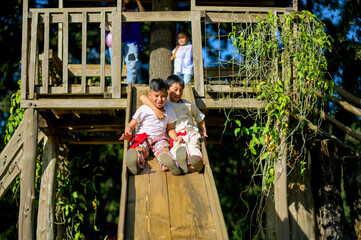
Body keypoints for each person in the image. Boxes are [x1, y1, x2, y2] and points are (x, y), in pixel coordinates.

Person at [139, 75, 207, 174]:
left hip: (191, 132)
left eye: (181, 90)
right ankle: (181, 161)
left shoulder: (187, 104)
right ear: (167, 90)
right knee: (177, 148)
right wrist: (155, 109)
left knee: (194, 146)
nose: (178, 93)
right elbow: (142, 97)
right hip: (177, 134)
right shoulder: (164, 102)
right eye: (175, 90)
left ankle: (197, 160)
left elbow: (200, 117)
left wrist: (204, 131)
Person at [119, 79, 184, 175]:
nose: (160, 99)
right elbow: (130, 125)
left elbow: (170, 128)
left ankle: (168, 163)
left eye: (163, 96)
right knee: (140, 149)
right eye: (156, 96)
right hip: (144, 138)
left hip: (160, 139)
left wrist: (175, 137)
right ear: (149, 95)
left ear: (166, 95)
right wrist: (128, 132)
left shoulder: (169, 109)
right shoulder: (144, 109)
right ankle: (135, 162)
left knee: (163, 150)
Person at [106, 0, 145, 84]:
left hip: (131, 39)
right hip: (115, 39)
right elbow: (103, 17)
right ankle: (115, 86)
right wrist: (110, 27)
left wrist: (138, 1)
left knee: (132, 64)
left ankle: (129, 86)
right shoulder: (112, 6)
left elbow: (144, 15)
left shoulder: (134, 7)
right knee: (116, 64)